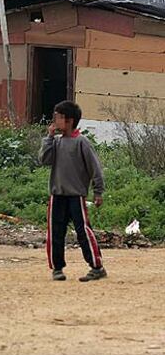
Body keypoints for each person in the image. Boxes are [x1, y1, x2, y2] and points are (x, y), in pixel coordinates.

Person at [38, 100, 107, 282]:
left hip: (76, 196)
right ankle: (57, 268)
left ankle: (96, 266)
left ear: (69, 121)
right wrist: (49, 139)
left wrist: (98, 192)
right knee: (55, 233)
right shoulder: (56, 142)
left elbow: (95, 169)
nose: (55, 120)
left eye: (58, 117)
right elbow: (44, 160)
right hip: (57, 195)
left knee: (83, 231)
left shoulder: (82, 142)